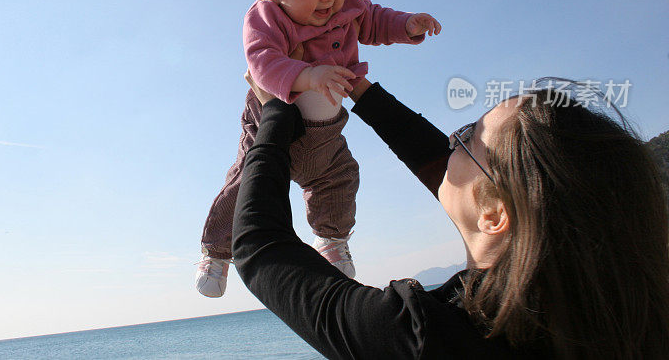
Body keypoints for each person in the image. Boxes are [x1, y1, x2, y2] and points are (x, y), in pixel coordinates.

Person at [232, 76, 669, 359]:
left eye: (465, 137)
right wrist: (361, 92)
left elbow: (260, 249)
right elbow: (451, 170)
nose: (450, 147)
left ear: (495, 211)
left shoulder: (426, 340)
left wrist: (275, 112)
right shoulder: (627, 321)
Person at [195, 0, 441, 297]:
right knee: (248, 182)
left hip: (325, 123)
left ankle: (331, 239)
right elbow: (261, 61)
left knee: (339, 175)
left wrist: (407, 24)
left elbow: (373, 20)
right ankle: (216, 252)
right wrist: (310, 76)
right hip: (271, 115)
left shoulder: (346, 5)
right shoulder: (265, 16)